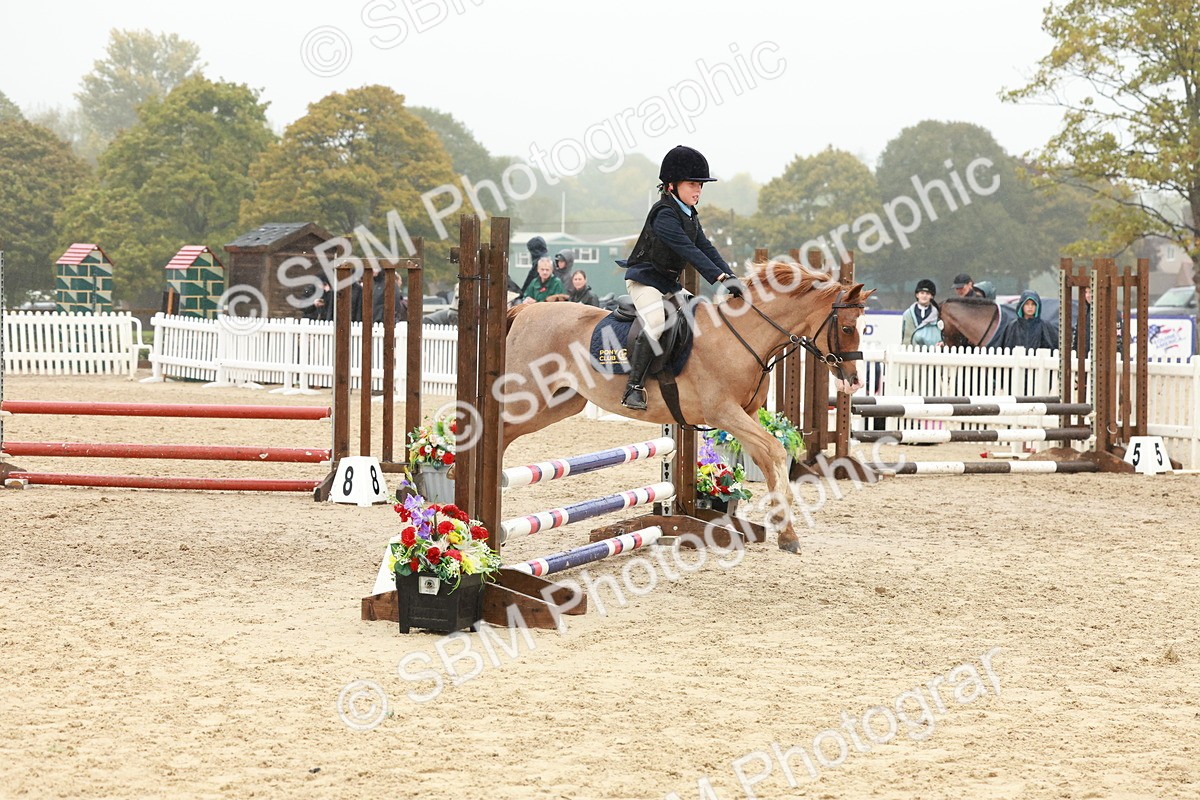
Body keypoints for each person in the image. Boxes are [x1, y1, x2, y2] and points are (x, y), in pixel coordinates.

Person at [618, 144, 743, 410]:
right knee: (654, 321)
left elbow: (706, 247)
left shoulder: (690, 216)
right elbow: (689, 250)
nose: (698, 190)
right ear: (672, 185)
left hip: (667, 284)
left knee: (701, 314)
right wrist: (720, 277)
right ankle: (633, 387)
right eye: (692, 184)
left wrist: (732, 277)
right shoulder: (664, 214)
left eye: (700, 185)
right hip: (645, 280)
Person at [901, 278, 942, 347]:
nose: (924, 296)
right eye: (922, 293)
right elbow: (906, 337)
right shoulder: (908, 314)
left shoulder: (938, 314)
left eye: (927, 293)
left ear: (932, 296)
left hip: (932, 353)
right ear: (917, 295)